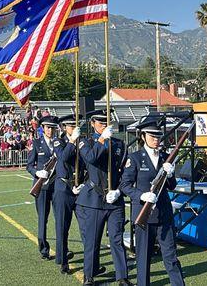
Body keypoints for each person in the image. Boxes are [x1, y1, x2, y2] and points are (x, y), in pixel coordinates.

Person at [120, 119, 185, 286]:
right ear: (143, 136)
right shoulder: (134, 158)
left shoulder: (165, 157)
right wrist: (142, 196)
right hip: (145, 215)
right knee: (143, 258)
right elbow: (125, 185)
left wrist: (170, 175)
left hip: (164, 214)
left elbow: (172, 186)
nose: (156, 139)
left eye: (158, 136)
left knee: (171, 257)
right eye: (152, 136)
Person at [77, 109, 132, 286]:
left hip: (114, 199)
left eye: (106, 122)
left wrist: (118, 191)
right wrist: (102, 140)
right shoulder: (85, 142)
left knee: (117, 239)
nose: (103, 125)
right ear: (93, 123)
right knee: (92, 240)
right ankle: (89, 276)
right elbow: (91, 158)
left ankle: (122, 277)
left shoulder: (119, 144)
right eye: (100, 123)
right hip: (94, 199)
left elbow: (125, 170)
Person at [52, 114, 83, 274]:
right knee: (62, 227)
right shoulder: (58, 141)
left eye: (75, 125)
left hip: (79, 189)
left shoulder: (82, 141)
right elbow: (64, 157)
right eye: (71, 125)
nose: (74, 128)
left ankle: (92, 264)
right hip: (63, 189)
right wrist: (72, 142)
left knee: (86, 227)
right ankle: (63, 261)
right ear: (64, 127)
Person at [26, 115, 59, 260]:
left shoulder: (59, 143)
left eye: (52, 128)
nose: (50, 130)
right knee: (43, 219)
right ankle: (44, 249)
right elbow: (29, 165)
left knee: (60, 218)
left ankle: (62, 248)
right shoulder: (37, 143)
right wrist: (36, 172)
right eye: (47, 127)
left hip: (57, 186)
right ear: (43, 128)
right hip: (42, 187)